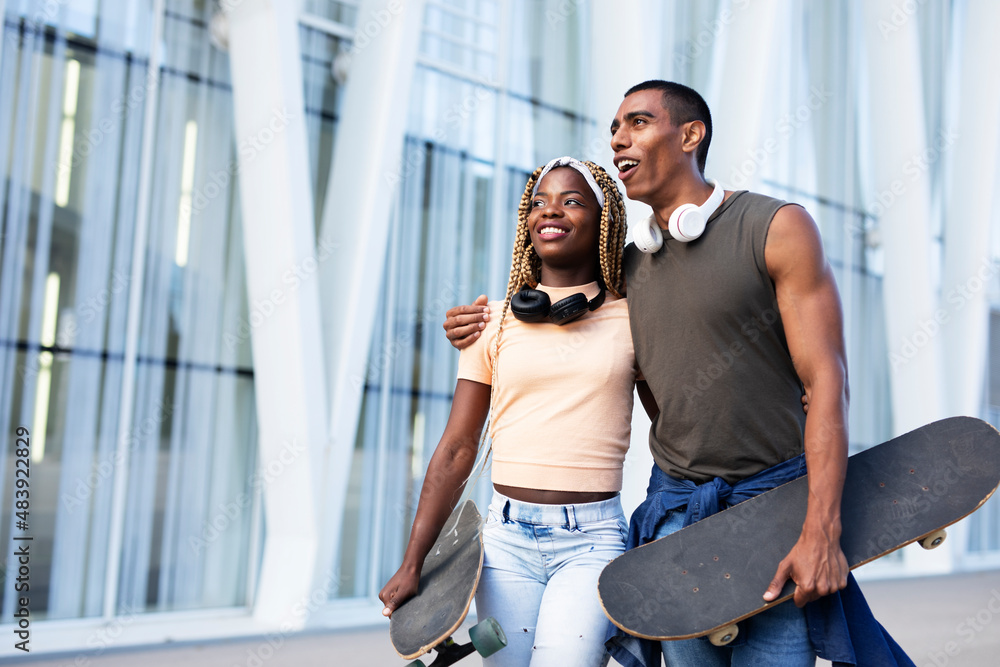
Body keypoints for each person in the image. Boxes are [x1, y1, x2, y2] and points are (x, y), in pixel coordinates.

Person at [444, 81, 914, 666]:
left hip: (774, 510)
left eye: (638, 122)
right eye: (615, 128)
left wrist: (821, 530)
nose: (619, 139)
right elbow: (567, 316)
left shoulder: (775, 227)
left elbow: (828, 384)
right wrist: (478, 320)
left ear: (691, 135)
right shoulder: (629, 268)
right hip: (676, 517)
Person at [380, 156, 643, 667]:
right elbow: (457, 448)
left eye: (572, 201)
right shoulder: (492, 323)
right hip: (505, 541)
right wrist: (414, 561)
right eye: (540, 202)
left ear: (604, 221)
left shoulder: (634, 319)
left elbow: (675, 425)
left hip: (593, 541)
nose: (552, 210)